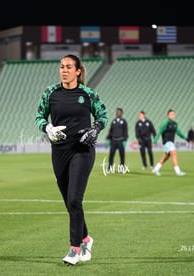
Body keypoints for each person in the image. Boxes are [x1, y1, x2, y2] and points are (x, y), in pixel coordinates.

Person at [35, 54, 108, 265]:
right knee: (70, 202)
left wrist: (95, 129)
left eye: (68, 67)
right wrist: (47, 128)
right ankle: (86, 239)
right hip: (59, 152)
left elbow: (103, 115)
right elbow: (39, 116)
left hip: (82, 151)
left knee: (75, 200)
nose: (64, 70)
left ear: (78, 71)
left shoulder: (88, 94)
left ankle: (74, 250)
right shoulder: (50, 92)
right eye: (61, 67)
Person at [152, 109, 187, 176]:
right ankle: (178, 172)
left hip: (171, 142)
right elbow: (159, 132)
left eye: (173, 114)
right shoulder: (165, 123)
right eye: (171, 114)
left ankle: (155, 169)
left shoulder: (174, 123)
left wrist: (186, 138)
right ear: (167, 115)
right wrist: (154, 141)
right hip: (167, 141)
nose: (172, 115)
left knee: (166, 157)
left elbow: (179, 132)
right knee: (174, 154)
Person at [106, 107, 128, 172]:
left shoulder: (124, 121)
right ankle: (110, 168)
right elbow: (110, 130)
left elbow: (125, 131)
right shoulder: (113, 121)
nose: (117, 113)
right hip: (113, 141)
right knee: (111, 155)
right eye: (116, 112)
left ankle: (121, 167)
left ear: (121, 113)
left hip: (120, 141)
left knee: (122, 155)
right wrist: (108, 138)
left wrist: (125, 140)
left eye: (118, 112)